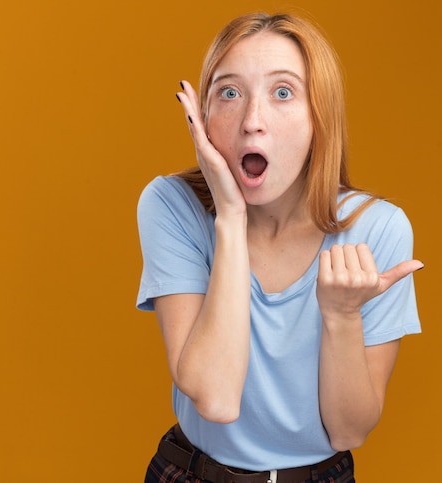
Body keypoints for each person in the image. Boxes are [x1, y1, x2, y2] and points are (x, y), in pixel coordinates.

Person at [136, 11, 422, 483]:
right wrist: (230, 217)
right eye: (229, 92)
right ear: (202, 117)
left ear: (319, 117)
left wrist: (341, 316)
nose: (252, 121)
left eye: (283, 92)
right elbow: (217, 398)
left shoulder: (378, 229)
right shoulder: (172, 205)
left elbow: (349, 430)